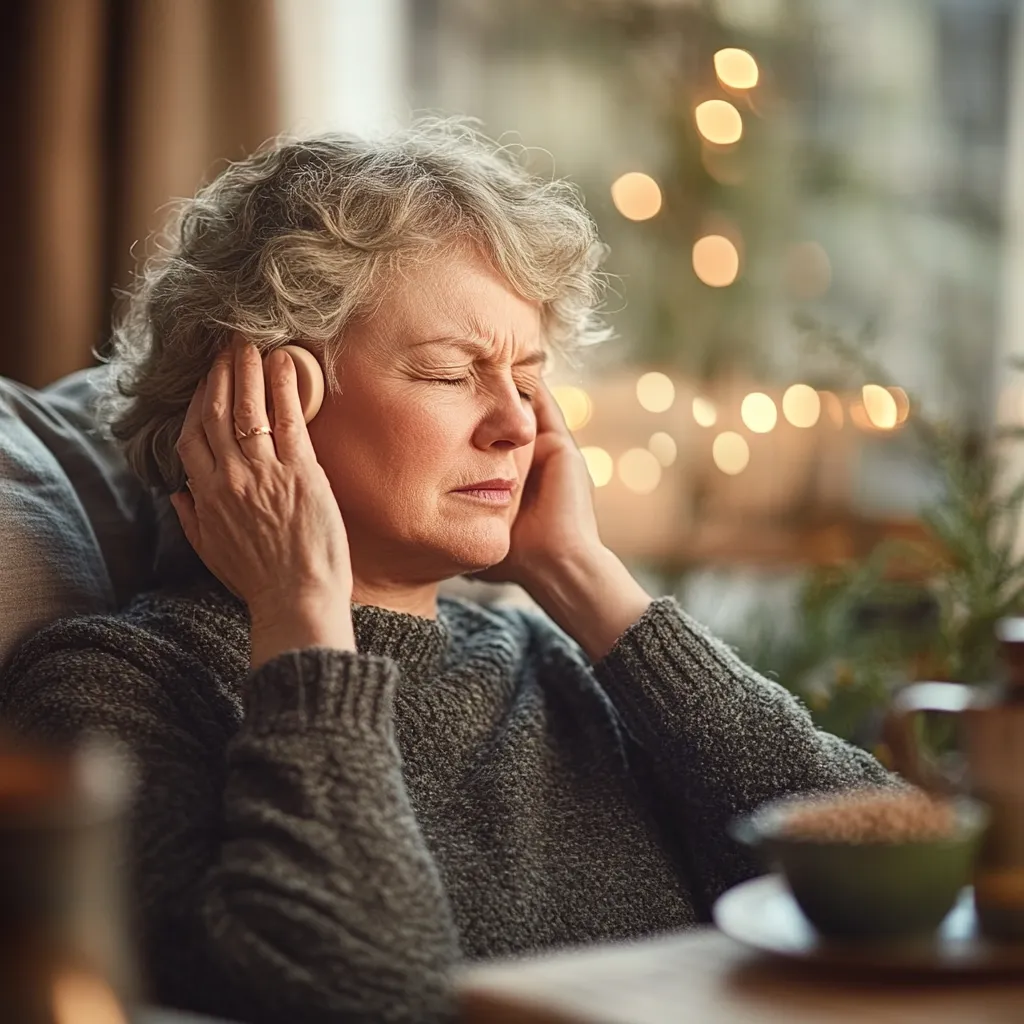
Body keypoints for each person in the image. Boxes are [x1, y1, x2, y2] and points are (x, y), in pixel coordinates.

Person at [0, 119, 899, 1024]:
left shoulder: (555, 661)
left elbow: (893, 885)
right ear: (264, 405)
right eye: (449, 373)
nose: (517, 426)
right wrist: (301, 610)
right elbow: (362, 989)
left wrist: (586, 576)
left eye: (528, 376)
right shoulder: (109, 694)